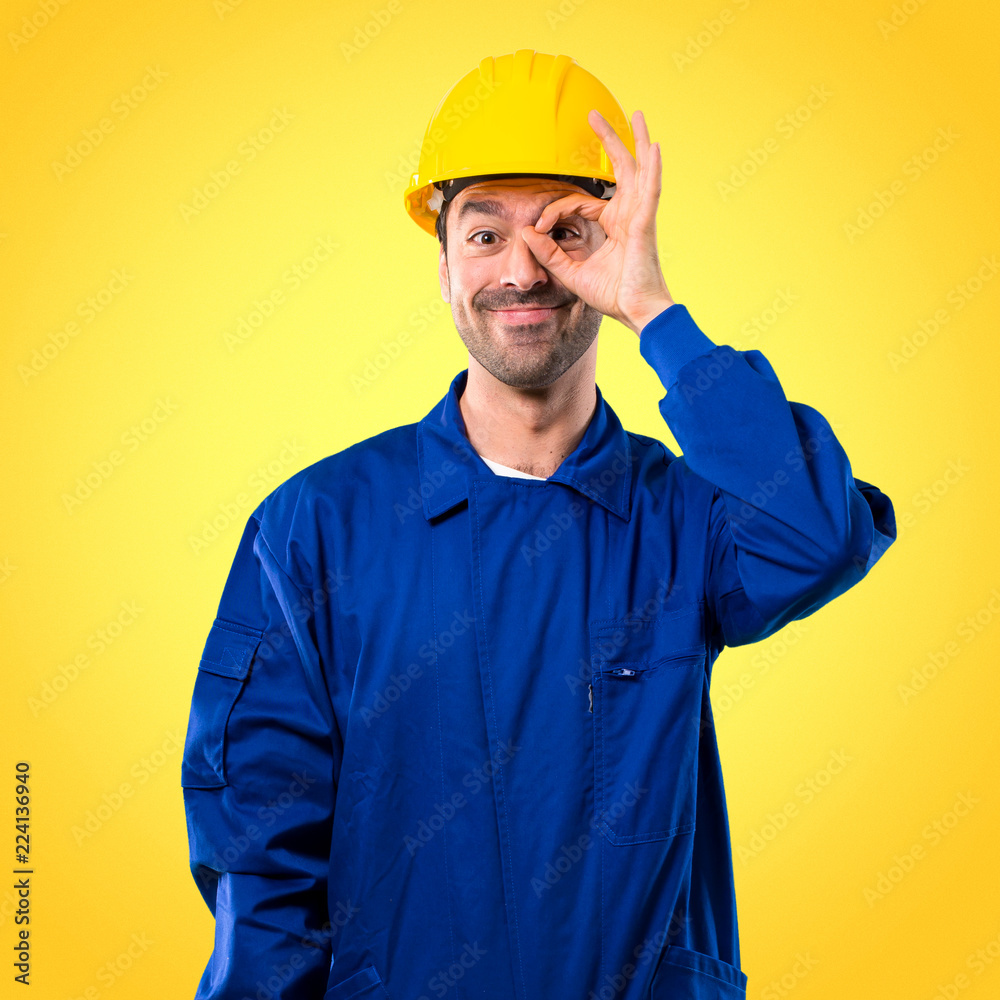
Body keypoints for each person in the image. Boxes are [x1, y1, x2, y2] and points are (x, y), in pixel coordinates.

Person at [181, 49, 896, 1000]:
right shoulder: (321, 528)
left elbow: (819, 535)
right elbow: (261, 856)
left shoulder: (687, 515)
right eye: (483, 235)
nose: (523, 271)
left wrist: (655, 309)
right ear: (441, 265)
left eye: (566, 232)